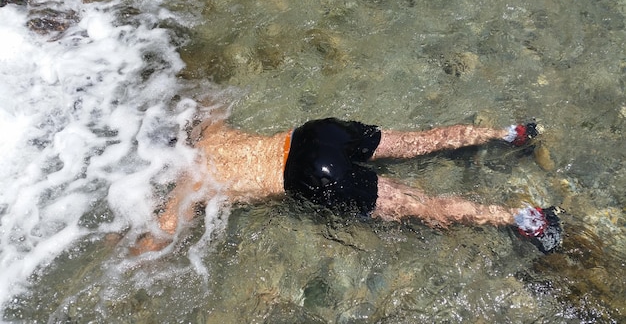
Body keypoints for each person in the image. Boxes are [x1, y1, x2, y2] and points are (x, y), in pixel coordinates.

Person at [132, 117, 562, 255]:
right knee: (417, 141)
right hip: (315, 134)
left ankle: (522, 218)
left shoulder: (190, 181)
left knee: (418, 205)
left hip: (308, 176)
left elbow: (162, 233)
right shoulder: (211, 130)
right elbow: (205, 107)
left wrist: (126, 248)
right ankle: (509, 132)